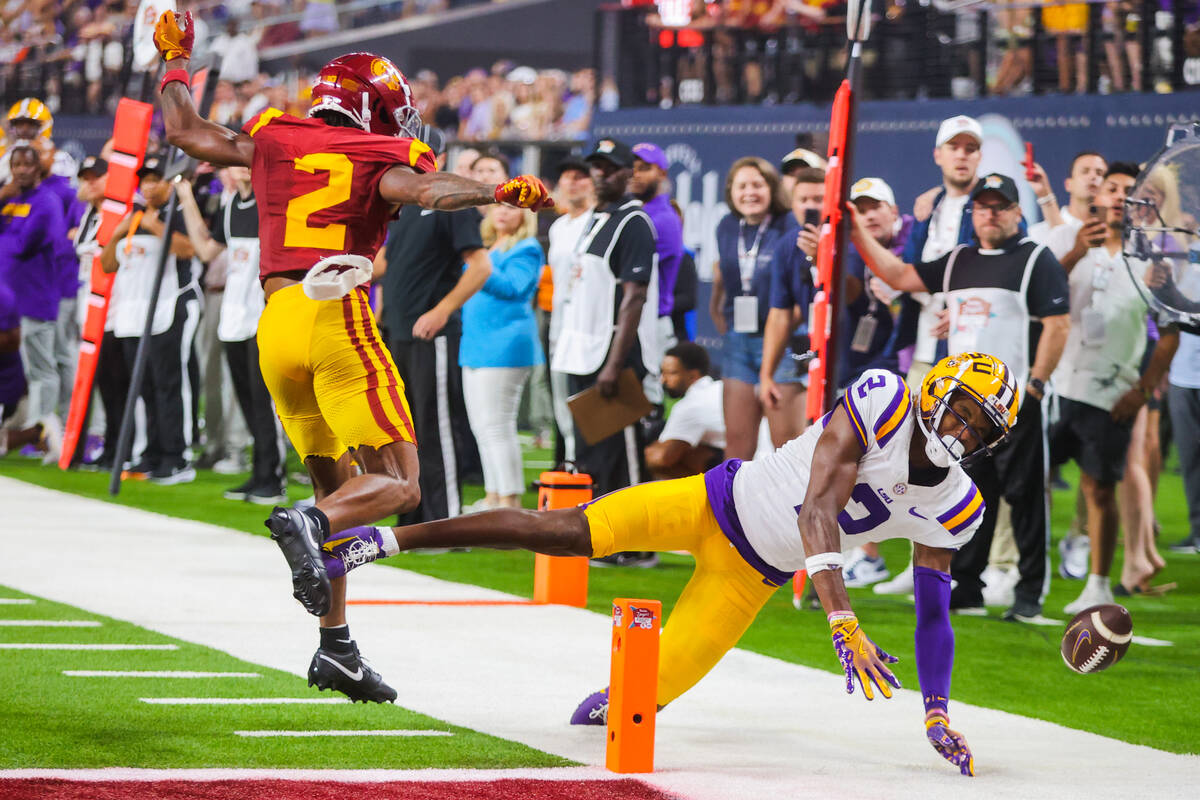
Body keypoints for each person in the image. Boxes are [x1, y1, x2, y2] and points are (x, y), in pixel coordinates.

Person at [307, 352, 1022, 779]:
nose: (963, 430)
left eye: (980, 426)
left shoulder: (959, 503)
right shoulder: (886, 400)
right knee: (561, 529)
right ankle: (387, 542)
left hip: (751, 578)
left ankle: (605, 700)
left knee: (622, 706)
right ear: (937, 391)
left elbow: (934, 611)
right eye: (961, 410)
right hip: (713, 502)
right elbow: (816, 510)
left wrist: (935, 712)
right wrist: (842, 617)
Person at [151, 11, 552, 703]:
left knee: (336, 495)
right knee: (398, 486)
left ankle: (335, 647)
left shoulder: (275, 136)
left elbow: (184, 131)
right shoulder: (377, 153)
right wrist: (497, 190)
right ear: (376, 111)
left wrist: (178, 58)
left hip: (274, 324)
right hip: (335, 313)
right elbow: (426, 190)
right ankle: (308, 528)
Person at [852, 173, 1071, 622]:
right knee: (968, 496)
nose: (990, 213)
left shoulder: (1035, 260)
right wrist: (853, 227)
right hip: (962, 411)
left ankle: (1029, 593)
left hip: (1014, 403)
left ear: (1016, 211)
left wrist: (1035, 386)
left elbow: (1058, 323)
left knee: (1026, 497)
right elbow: (896, 274)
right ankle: (967, 585)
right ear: (973, 212)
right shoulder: (956, 261)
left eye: (1000, 205)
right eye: (983, 205)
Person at [1051, 163, 1180, 612]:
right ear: (1098, 197)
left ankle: (1099, 584)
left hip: (1110, 394)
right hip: (1055, 386)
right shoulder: (1069, 248)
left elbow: (1169, 334)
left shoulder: (1154, 266)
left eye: (1132, 192)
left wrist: (1142, 390)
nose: (1122, 198)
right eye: (1114, 189)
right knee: (1029, 483)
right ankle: (1022, 575)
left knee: (1099, 489)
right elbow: (1041, 301)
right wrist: (1072, 255)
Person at [376, 136, 493, 526]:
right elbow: (388, 262)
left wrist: (442, 311)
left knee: (436, 426)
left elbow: (480, 267)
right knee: (405, 429)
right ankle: (413, 516)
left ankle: (443, 520)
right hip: (397, 329)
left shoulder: (451, 203)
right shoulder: (405, 205)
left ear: (438, 157)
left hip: (431, 334)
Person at [551, 138, 660, 497]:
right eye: (596, 167)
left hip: (614, 355)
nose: (600, 174)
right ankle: (603, 537)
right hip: (581, 349)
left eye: (610, 168)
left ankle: (634, 549)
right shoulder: (595, 220)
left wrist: (614, 365)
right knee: (592, 454)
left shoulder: (634, 222)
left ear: (629, 173)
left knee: (622, 455)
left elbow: (634, 298)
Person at [175, 165, 288, 504]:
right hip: (234, 316)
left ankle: (273, 474)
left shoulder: (270, 204)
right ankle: (259, 472)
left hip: (262, 314)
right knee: (245, 395)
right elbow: (208, 251)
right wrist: (186, 198)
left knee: (262, 396)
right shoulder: (230, 207)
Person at [99, 155, 202, 485]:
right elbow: (107, 265)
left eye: (156, 179)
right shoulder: (132, 217)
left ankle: (177, 456)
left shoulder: (179, 213)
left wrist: (155, 224)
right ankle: (152, 452)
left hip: (168, 308)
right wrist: (116, 235)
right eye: (144, 180)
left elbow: (188, 250)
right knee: (142, 388)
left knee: (169, 385)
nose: (149, 185)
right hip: (134, 315)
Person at [459, 205, 545, 510]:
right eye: (500, 206)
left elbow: (514, 288)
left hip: (506, 346)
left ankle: (509, 501)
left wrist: (478, 266)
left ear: (526, 216)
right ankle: (493, 496)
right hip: (475, 343)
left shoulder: (527, 248)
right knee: (482, 427)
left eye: (513, 208)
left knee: (498, 426)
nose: (503, 213)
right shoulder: (486, 247)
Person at [708, 156, 793, 459]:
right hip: (737, 343)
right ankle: (732, 507)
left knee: (787, 448)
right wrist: (717, 311)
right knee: (737, 446)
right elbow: (723, 272)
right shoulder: (726, 227)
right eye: (742, 186)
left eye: (757, 185)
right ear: (731, 192)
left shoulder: (788, 225)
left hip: (781, 343)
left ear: (771, 188)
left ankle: (788, 507)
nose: (750, 192)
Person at [0, 144, 67, 462]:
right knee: (16, 372)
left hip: (34, 297)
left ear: (39, 168)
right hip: (7, 303)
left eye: (28, 164)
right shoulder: (9, 199)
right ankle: (25, 429)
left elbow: (23, 244)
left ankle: (44, 432)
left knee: (41, 369)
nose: (22, 170)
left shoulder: (47, 201)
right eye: (16, 164)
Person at [760, 166, 824, 440]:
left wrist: (821, 257)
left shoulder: (850, 239)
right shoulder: (787, 245)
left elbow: (851, 296)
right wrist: (766, 374)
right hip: (801, 350)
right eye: (804, 200)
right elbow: (779, 314)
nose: (810, 206)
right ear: (792, 203)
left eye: (818, 199)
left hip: (846, 361)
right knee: (788, 446)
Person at [545, 157, 595, 466]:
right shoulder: (558, 226)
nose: (572, 182)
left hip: (587, 323)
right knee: (559, 396)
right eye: (566, 176)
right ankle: (571, 462)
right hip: (559, 321)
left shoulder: (599, 222)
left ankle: (585, 464)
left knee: (584, 400)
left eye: (581, 176)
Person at [630, 142, 684, 349]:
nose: (635, 175)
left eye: (644, 169)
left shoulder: (663, 220)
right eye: (632, 169)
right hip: (637, 319)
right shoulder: (636, 213)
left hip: (651, 323)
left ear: (661, 173)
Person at [645, 341, 724, 480]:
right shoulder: (720, 387)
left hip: (743, 467)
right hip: (759, 461)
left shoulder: (691, 404)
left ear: (693, 376)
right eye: (662, 373)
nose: (663, 380)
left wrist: (648, 451)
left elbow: (661, 458)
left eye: (671, 373)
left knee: (664, 461)